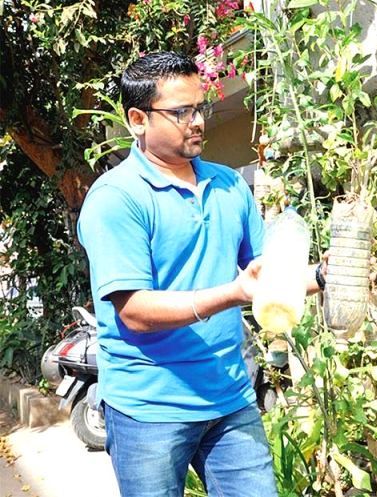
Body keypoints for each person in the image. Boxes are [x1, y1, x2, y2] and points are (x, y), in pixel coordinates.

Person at [77, 51, 325, 497]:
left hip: (229, 397)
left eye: (200, 108)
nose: (197, 122)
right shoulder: (117, 199)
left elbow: (268, 276)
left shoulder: (228, 185)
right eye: (180, 112)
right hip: (149, 407)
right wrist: (233, 292)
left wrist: (327, 275)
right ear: (138, 119)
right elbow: (133, 311)